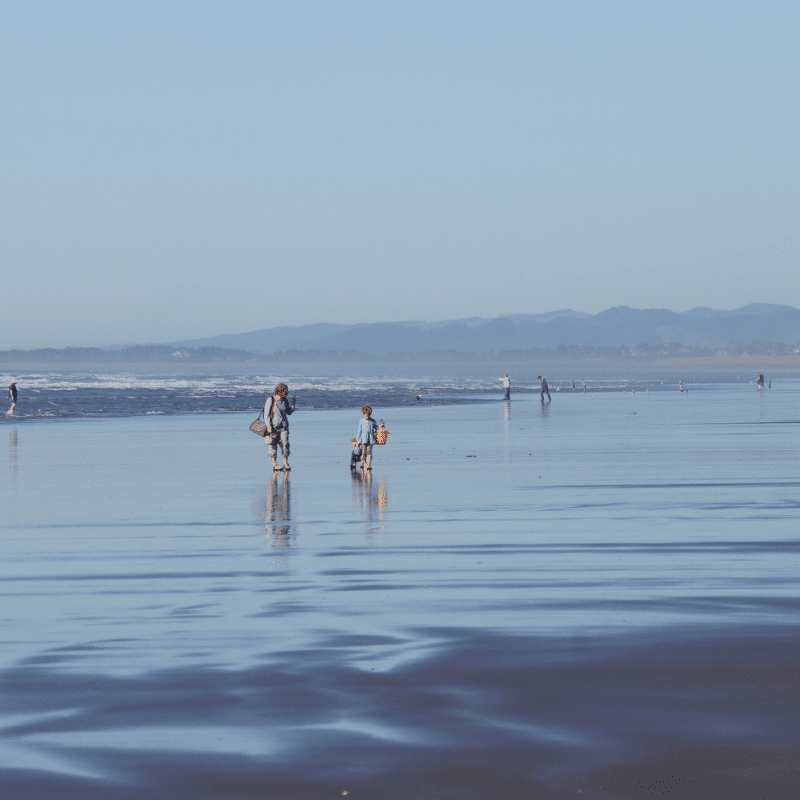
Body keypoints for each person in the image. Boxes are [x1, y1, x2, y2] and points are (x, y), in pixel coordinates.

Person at [265, 383, 296, 472]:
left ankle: (285, 463)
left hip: (284, 427)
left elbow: (288, 412)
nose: (286, 392)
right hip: (273, 427)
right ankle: (275, 464)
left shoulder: (285, 400)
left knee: (285, 444)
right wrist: (269, 426)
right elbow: (266, 415)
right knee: (272, 446)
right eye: (285, 390)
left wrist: (293, 405)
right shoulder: (270, 400)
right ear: (280, 391)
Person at [355, 405, 379, 471]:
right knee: (363, 452)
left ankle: (368, 464)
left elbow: (377, 429)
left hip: (371, 439)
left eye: (368, 415)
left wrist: (381, 428)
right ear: (363, 414)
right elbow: (359, 431)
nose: (367, 416)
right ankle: (362, 463)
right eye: (366, 415)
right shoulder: (361, 421)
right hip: (363, 439)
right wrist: (357, 440)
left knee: (369, 451)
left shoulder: (373, 421)